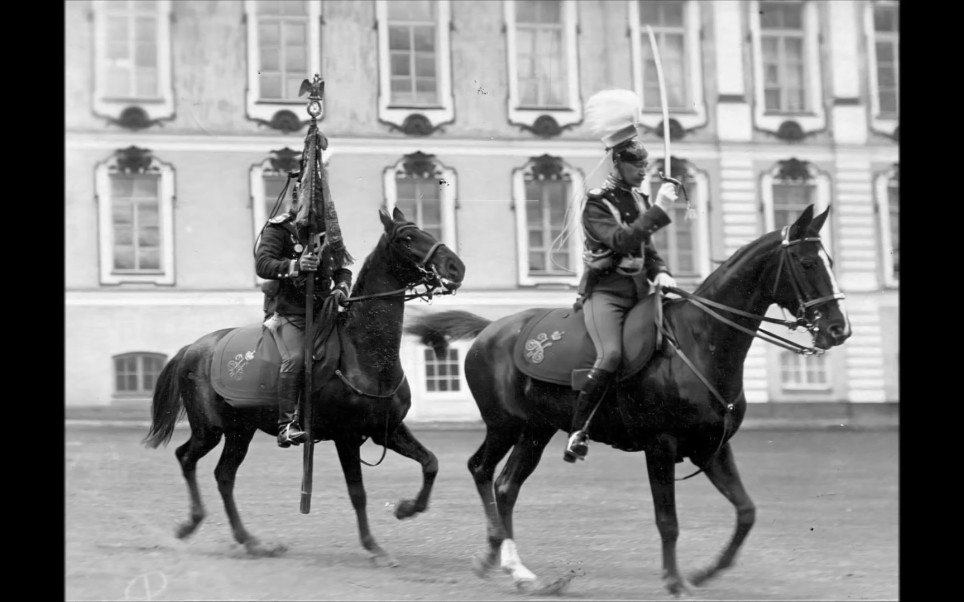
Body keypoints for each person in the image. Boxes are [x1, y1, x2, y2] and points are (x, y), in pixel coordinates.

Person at [564, 105, 681, 463]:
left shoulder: (640, 199)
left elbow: (646, 249)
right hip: (607, 294)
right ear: (616, 164)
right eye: (635, 165)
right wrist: (659, 211)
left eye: (644, 165)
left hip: (641, 292)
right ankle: (578, 431)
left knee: (675, 346)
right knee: (611, 354)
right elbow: (621, 241)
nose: (642, 171)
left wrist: (660, 269)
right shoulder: (597, 204)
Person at [256, 186, 353, 448]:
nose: (314, 207)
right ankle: (287, 425)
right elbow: (263, 264)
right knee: (296, 358)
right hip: (290, 313)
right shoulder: (279, 228)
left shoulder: (326, 233)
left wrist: (341, 288)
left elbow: (342, 268)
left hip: (325, 313)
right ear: (297, 201)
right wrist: (296, 266)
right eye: (309, 201)